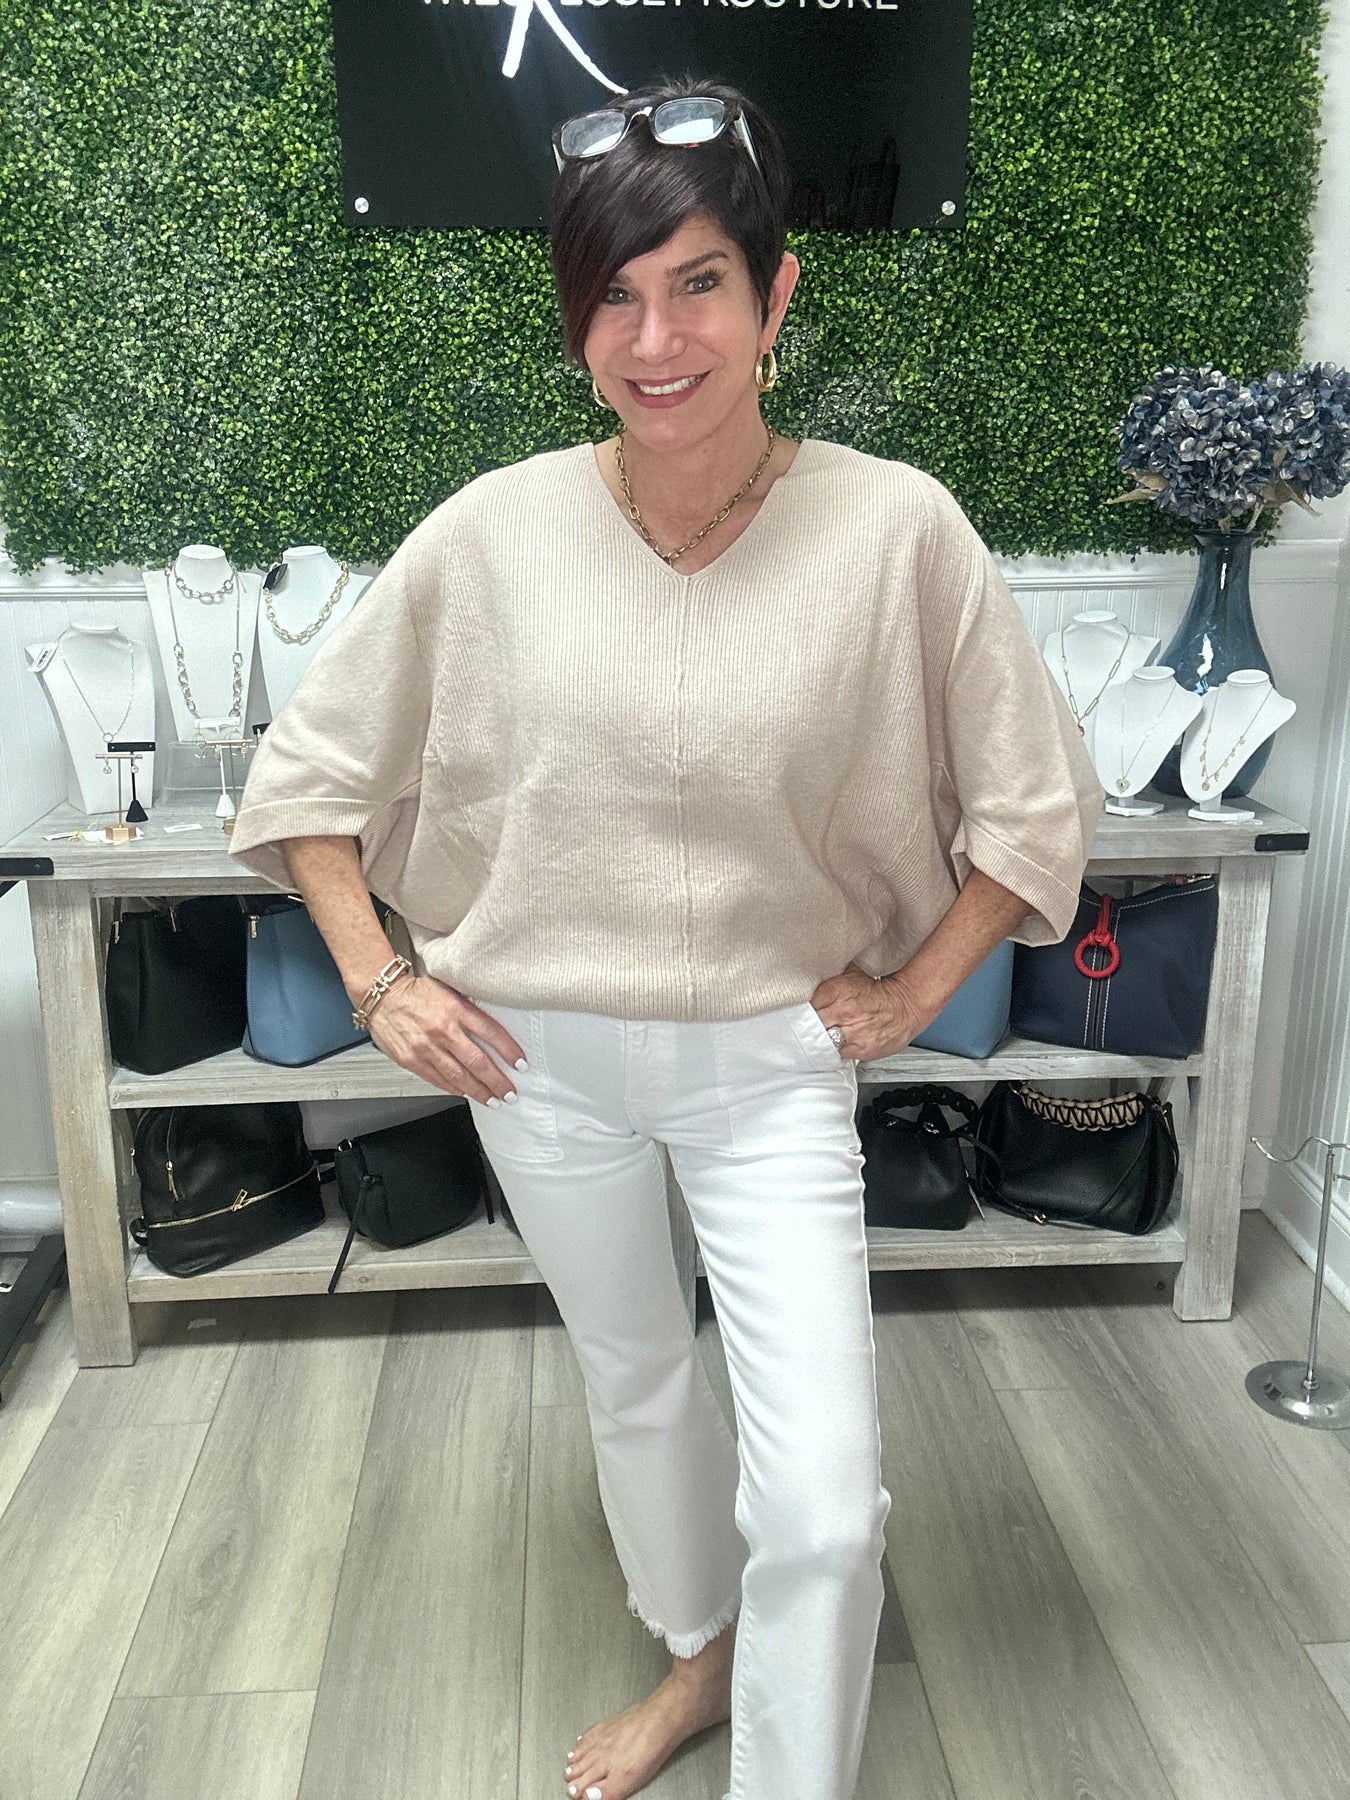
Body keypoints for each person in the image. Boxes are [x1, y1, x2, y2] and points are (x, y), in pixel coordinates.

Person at [228, 75, 1103, 1800]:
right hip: (534, 1062)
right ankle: (699, 1650)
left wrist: (919, 990)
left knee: (823, 1506)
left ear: (775, 298)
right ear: (575, 327)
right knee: (634, 1380)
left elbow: (1032, 800)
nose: (653, 338)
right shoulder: (489, 532)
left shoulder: (896, 528)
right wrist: (380, 981)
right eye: (612, 297)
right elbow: (307, 780)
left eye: (697, 282)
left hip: (771, 1066)